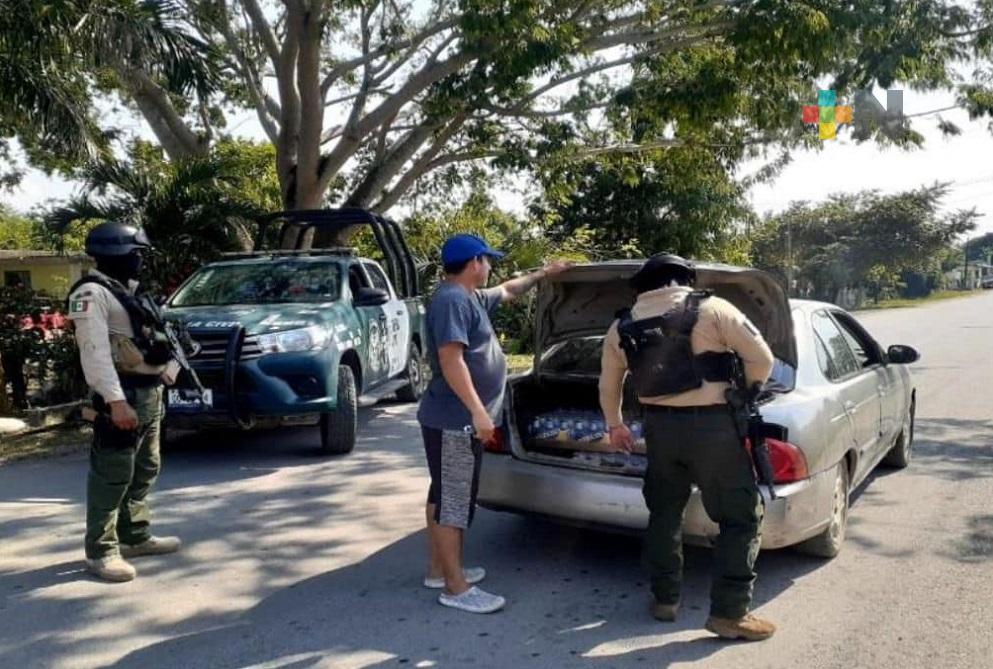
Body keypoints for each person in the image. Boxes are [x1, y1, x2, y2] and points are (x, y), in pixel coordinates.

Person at [598, 253, 777, 641]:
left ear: (645, 285)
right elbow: (762, 359)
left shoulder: (622, 325)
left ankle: (665, 599)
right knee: (740, 517)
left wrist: (615, 425)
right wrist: (747, 392)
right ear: (684, 279)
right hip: (713, 428)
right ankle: (730, 613)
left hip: (659, 430)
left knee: (664, 512)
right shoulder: (713, 308)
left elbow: (609, 382)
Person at [417, 233, 571, 614]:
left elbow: (507, 290)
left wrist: (542, 275)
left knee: (443, 494)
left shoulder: (468, 296)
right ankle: (456, 588)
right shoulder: (453, 300)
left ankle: (440, 570)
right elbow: (451, 360)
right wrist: (479, 411)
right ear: (474, 263)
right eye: (488, 261)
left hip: (453, 417)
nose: (491, 267)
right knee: (453, 500)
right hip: (455, 419)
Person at [67, 222, 182, 583]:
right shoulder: (91, 293)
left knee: (146, 467)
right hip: (121, 394)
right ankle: (101, 550)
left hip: (149, 392)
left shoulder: (129, 291)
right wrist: (116, 402)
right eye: (137, 254)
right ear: (117, 253)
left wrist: (167, 368)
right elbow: (95, 353)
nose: (141, 262)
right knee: (112, 474)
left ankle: (135, 536)